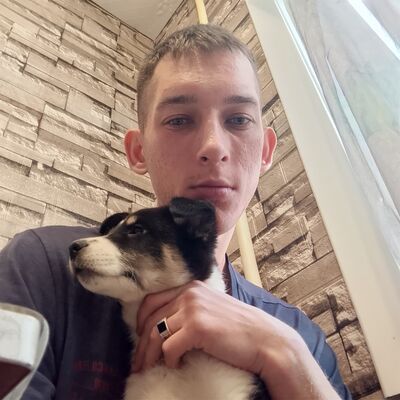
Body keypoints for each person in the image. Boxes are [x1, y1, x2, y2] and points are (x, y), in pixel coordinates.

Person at [0, 24, 352, 399]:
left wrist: (284, 355)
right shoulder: (42, 267)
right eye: (179, 120)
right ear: (138, 151)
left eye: (238, 119)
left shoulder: (301, 338)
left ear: (265, 152)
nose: (214, 147)